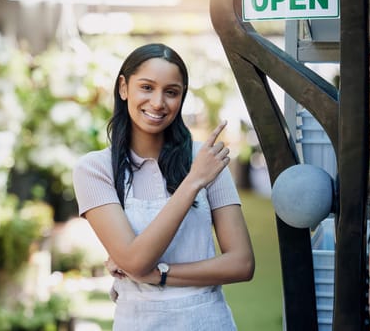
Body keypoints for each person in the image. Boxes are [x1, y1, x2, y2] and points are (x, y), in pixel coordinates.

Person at [72, 43, 254, 330]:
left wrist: (160, 275)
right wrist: (193, 182)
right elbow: (135, 260)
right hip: (139, 322)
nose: (158, 102)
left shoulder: (206, 160)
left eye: (171, 92)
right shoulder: (95, 169)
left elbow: (241, 263)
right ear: (123, 88)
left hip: (207, 320)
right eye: (146, 87)